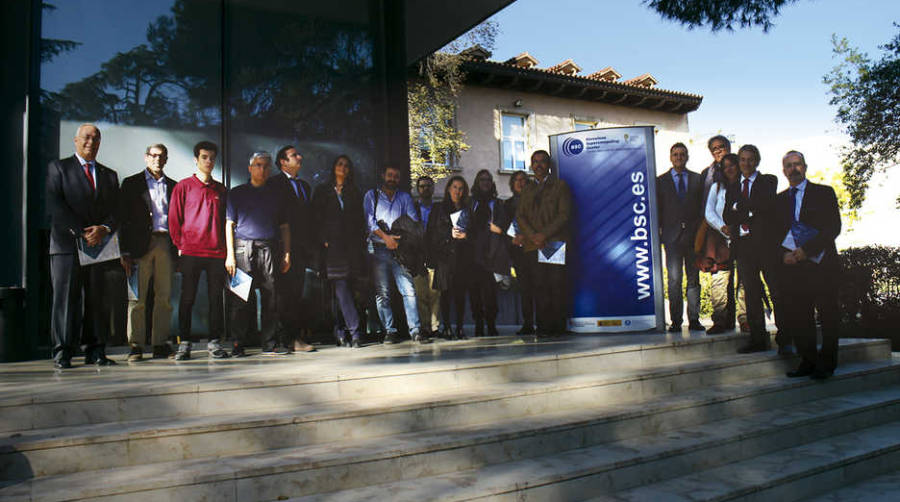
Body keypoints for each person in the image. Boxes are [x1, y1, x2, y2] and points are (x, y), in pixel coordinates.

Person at [46, 123, 120, 368]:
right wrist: (81, 232)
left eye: (97, 138)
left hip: (100, 245)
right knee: (66, 299)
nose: (92, 142)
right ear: (76, 140)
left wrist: (104, 229)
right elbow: (56, 205)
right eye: (87, 137)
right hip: (67, 244)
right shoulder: (59, 168)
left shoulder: (109, 175)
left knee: (98, 300)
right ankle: (63, 351)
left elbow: (116, 211)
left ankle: (96, 350)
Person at [778, 151, 842, 380]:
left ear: (804, 167)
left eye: (797, 164)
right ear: (783, 170)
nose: (793, 169)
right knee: (800, 317)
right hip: (795, 268)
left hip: (822, 264)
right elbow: (775, 234)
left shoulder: (824, 193)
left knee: (828, 316)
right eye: (788, 165)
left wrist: (806, 251)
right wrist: (784, 256)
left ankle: (827, 364)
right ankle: (808, 361)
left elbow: (833, 227)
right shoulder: (780, 199)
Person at [225, 152, 292, 356]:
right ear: (250, 168)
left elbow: (285, 226)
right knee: (240, 297)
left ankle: (269, 343)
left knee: (271, 297)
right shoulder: (236, 193)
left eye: (265, 166)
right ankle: (238, 343)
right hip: (242, 248)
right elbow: (229, 224)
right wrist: (230, 255)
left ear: (269, 169)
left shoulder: (276, 194)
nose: (261, 170)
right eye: (257, 165)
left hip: (269, 248)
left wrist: (287, 253)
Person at [169, 141, 229, 360]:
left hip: (216, 254)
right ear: (196, 159)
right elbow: (174, 219)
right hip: (191, 252)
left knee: (216, 299)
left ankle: (214, 343)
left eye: (212, 157)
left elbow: (226, 222)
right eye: (204, 157)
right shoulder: (183, 186)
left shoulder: (221, 189)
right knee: (187, 298)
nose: (209, 161)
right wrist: (180, 245)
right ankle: (184, 343)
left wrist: (226, 251)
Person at [724, 144, 785, 354]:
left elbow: (765, 206)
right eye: (742, 160)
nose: (746, 163)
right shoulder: (732, 187)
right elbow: (727, 215)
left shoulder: (768, 180)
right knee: (751, 294)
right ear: (738, 162)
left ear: (756, 161)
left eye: (750, 159)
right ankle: (758, 339)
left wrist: (740, 208)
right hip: (744, 247)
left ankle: (786, 337)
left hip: (766, 244)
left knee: (776, 290)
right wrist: (746, 211)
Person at [119, 143, 177, 361]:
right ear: (146, 158)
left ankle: (160, 343)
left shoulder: (174, 186)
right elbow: (123, 219)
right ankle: (136, 345)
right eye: (153, 155)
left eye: (161, 156)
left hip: (165, 243)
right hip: (138, 246)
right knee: (137, 298)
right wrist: (124, 250)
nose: (157, 160)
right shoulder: (131, 184)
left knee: (164, 296)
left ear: (166, 159)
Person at [363, 165, 426, 344]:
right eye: (389, 175)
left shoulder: (405, 197)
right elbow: (369, 222)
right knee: (382, 292)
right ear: (383, 175)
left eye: (396, 176)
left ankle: (415, 330)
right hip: (378, 249)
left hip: (401, 249)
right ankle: (389, 331)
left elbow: (413, 221)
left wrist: (399, 238)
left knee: (408, 290)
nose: (392, 178)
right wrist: (386, 238)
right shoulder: (371, 196)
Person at [312, 155, 367, 348]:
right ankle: (355, 331)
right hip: (331, 249)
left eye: (346, 165)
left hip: (351, 248)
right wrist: (323, 240)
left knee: (344, 291)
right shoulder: (322, 191)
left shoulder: (354, 192)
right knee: (340, 288)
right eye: (339, 164)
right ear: (333, 167)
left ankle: (340, 331)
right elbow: (315, 218)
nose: (343, 168)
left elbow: (361, 222)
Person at [516, 150, 573, 335]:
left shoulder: (559, 186)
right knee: (538, 286)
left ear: (549, 165)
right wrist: (533, 235)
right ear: (531, 165)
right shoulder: (527, 189)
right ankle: (543, 327)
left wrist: (544, 235)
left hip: (553, 243)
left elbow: (564, 215)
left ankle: (558, 327)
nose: (538, 165)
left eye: (542, 161)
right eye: (535, 162)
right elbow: (520, 216)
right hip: (533, 245)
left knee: (555, 285)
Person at [269, 145, 316, 352]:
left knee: (296, 294)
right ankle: (283, 339)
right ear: (282, 162)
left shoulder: (305, 186)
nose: (300, 157)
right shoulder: (274, 184)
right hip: (280, 249)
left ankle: (295, 338)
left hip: (301, 249)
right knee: (281, 295)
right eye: (294, 155)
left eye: (299, 153)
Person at [656, 143, 705, 333]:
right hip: (672, 238)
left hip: (693, 238)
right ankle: (676, 321)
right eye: (675, 154)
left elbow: (702, 208)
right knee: (674, 280)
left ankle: (694, 319)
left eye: (682, 154)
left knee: (693, 279)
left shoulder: (697, 179)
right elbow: (658, 210)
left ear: (687, 157)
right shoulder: (661, 181)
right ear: (670, 157)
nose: (678, 157)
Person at [702, 153, 746, 334]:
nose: (729, 169)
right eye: (725, 166)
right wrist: (723, 228)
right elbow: (709, 212)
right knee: (720, 280)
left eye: (732, 165)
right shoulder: (717, 187)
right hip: (721, 239)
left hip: (743, 238)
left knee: (744, 280)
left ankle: (745, 319)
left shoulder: (745, 186)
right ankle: (720, 320)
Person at [426, 175, 471, 340]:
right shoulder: (439, 208)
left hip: (462, 258)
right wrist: (448, 234)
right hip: (444, 257)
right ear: (448, 189)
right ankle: (446, 328)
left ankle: (459, 327)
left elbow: (475, 232)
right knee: (445, 294)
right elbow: (431, 232)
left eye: (461, 188)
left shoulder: (468, 208)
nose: (457, 191)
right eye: (455, 187)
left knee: (460, 294)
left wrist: (466, 236)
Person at [468, 170, 510, 336]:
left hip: (492, 253)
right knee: (474, 292)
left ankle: (491, 324)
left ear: (492, 183)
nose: (485, 182)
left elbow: (505, 226)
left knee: (490, 292)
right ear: (477, 183)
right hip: (472, 253)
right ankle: (478, 323)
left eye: (488, 180)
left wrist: (498, 228)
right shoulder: (470, 203)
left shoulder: (498, 204)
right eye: (482, 179)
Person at [504, 170, 536, 335]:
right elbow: (502, 229)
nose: (520, 182)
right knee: (525, 289)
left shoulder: (536, 201)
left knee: (540, 286)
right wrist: (512, 240)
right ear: (512, 184)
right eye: (516, 180)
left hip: (536, 248)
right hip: (518, 251)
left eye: (523, 179)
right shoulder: (507, 204)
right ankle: (528, 323)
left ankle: (545, 322)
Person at [413, 175, 441, 338]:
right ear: (418, 189)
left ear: (433, 188)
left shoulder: (439, 209)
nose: (425, 189)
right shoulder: (413, 208)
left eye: (429, 186)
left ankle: (435, 326)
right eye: (422, 186)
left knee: (435, 293)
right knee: (420, 293)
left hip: (434, 255)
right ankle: (424, 327)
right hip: (417, 255)